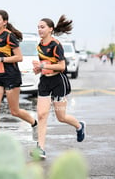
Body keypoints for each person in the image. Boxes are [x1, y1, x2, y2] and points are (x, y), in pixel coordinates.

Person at [0, 10, 38, 154]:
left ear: (4, 22)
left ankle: (34, 123)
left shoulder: (9, 36)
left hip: (11, 76)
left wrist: (1, 59)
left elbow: (19, 57)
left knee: (14, 111)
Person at [30, 15, 86, 159]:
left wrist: (43, 65)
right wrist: (39, 69)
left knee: (61, 117)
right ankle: (40, 148)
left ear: (50, 29)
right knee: (42, 115)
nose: (39, 29)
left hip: (58, 82)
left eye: (42, 27)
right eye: (38, 27)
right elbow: (45, 65)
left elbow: (62, 66)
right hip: (44, 81)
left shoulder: (56, 45)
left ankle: (79, 126)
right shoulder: (39, 45)